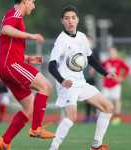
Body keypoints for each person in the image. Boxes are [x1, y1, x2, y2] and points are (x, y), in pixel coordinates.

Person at [48, 5, 115, 150]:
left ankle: (96, 146)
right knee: (72, 117)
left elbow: (90, 58)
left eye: (73, 18)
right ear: (62, 21)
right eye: (66, 18)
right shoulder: (61, 40)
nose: (70, 21)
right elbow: (51, 66)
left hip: (80, 82)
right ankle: (53, 147)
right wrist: (62, 81)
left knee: (108, 107)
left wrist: (105, 73)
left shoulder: (82, 37)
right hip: (67, 84)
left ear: (77, 20)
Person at [0, 0, 54, 149]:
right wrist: (31, 36)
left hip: (8, 66)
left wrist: (28, 58)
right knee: (46, 86)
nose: (33, 6)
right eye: (32, 2)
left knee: (29, 107)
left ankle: (5, 141)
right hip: (12, 66)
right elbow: (5, 29)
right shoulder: (15, 13)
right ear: (25, 1)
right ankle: (36, 129)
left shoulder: (15, 16)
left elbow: (8, 46)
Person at [101, 47, 130, 124]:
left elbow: (127, 69)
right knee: (105, 102)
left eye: (113, 52)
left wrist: (122, 78)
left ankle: (117, 117)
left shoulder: (119, 61)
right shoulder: (106, 62)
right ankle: (106, 117)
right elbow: (100, 69)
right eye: (110, 52)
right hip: (106, 85)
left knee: (116, 100)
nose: (111, 54)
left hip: (115, 84)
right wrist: (102, 76)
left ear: (116, 53)